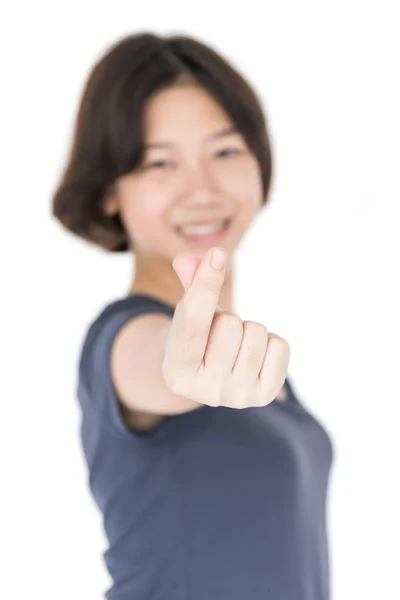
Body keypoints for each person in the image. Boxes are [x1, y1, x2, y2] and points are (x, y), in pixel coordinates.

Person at [52, 32, 334, 600]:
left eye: (225, 152)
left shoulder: (249, 367)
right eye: (161, 163)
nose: (201, 189)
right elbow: (156, 361)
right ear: (111, 191)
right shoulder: (122, 337)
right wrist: (183, 364)